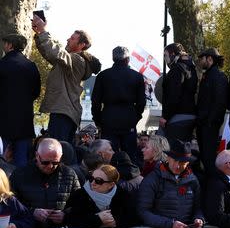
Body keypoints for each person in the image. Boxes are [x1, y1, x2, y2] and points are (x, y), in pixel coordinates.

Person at [9, 138, 80, 228]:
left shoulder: (69, 174)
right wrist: (32, 212)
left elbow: (79, 204)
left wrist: (65, 215)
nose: (50, 166)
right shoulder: (19, 174)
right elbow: (10, 205)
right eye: (45, 162)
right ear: (37, 155)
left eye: (55, 162)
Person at [32, 15, 100, 144]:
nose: (68, 39)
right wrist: (39, 35)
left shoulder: (77, 60)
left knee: (57, 151)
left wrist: (43, 31)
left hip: (63, 114)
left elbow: (55, 53)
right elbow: (49, 54)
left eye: (72, 38)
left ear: (82, 45)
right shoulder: (70, 61)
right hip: (65, 112)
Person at [91, 46, 146, 161]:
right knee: (130, 157)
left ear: (113, 58)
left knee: (108, 156)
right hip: (128, 118)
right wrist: (135, 117)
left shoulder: (103, 76)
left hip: (108, 118)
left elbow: (95, 101)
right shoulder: (137, 77)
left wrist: (98, 120)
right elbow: (141, 102)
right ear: (127, 59)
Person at [0, 33, 40, 167]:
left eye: (5, 43)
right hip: (24, 120)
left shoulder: (2, 65)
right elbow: (36, 92)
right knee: (22, 161)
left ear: (10, 45)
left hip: (3, 119)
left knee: (2, 158)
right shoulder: (31, 66)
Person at [196, 48, 229, 182]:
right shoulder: (208, 76)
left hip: (209, 124)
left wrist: (210, 121)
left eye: (202, 58)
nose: (200, 61)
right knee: (205, 156)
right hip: (204, 123)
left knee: (209, 158)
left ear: (209, 59)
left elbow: (219, 102)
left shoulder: (218, 76)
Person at [160, 43, 199, 142]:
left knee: (170, 147)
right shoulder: (192, 69)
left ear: (172, 54)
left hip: (177, 115)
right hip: (191, 114)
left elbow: (173, 96)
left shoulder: (176, 70)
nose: (165, 59)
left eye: (166, 55)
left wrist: (166, 116)